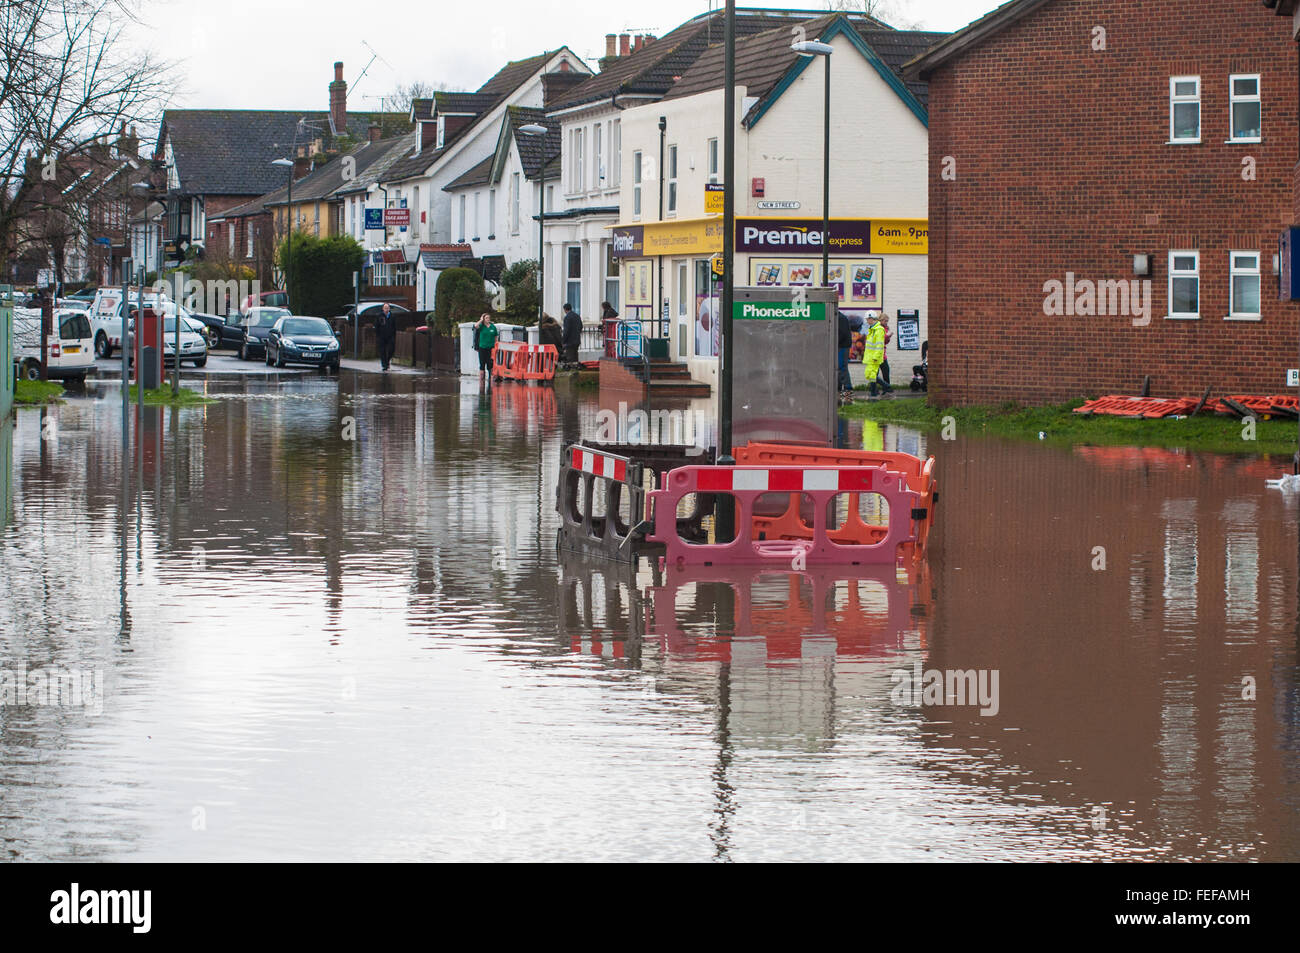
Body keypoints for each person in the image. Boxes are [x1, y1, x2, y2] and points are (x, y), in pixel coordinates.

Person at [863, 312, 887, 399]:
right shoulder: (872, 329)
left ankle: (887, 388)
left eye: (867, 319)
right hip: (870, 357)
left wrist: (876, 357)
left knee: (871, 374)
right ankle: (874, 392)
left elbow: (879, 345)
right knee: (869, 374)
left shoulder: (879, 330)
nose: (867, 321)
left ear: (871, 318)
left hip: (874, 357)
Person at [475, 312, 499, 382]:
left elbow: (496, 337)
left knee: (490, 363)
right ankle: (482, 380)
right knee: (482, 364)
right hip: (482, 347)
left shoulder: (493, 327)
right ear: (483, 319)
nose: (488, 319)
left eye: (488, 318)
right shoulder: (481, 326)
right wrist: (480, 320)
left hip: (491, 348)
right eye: (486, 318)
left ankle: (490, 379)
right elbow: (476, 326)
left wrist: (495, 346)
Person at [374, 302, 398, 372]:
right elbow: (376, 326)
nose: (386, 309)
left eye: (387, 308)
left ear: (389, 309)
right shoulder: (379, 316)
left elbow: (394, 326)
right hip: (381, 336)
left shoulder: (392, 316)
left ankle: (387, 361)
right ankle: (384, 365)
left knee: (391, 349)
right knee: (382, 351)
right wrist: (378, 335)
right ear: (383, 309)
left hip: (390, 336)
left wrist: (394, 334)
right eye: (385, 308)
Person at [837, 308, 853, 399]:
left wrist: (835, 343)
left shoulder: (840, 318)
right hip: (841, 346)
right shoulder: (840, 317)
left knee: (842, 367)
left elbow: (842, 334)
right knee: (838, 368)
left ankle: (848, 390)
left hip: (842, 346)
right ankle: (838, 389)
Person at [561, 302, 582, 366]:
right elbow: (581, 326)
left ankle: (571, 370)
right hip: (577, 339)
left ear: (565, 309)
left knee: (570, 357)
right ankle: (576, 368)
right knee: (575, 355)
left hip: (569, 341)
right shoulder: (577, 316)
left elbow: (566, 330)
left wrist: (563, 340)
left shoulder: (567, 317)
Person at [878, 312, 893, 393]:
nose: (886, 323)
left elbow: (885, 342)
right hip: (877, 354)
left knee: (886, 371)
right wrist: (887, 336)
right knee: (875, 374)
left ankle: (886, 389)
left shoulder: (886, 328)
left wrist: (888, 337)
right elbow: (879, 339)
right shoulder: (878, 328)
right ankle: (875, 390)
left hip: (883, 353)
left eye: (887, 321)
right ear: (880, 320)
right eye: (885, 321)